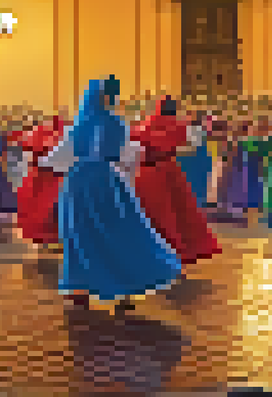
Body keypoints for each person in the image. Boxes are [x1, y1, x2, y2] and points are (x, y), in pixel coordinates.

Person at [42, 77, 183, 311]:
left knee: (79, 233)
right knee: (117, 231)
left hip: (77, 182)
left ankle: (78, 288)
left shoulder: (79, 126)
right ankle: (122, 286)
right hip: (105, 180)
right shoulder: (116, 123)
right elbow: (125, 155)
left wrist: (47, 162)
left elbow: (59, 158)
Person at [132, 96, 222, 265]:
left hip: (144, 174)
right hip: (168, 170)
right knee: (178, 211)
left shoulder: (144, 125)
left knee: (151, 214)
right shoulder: (177, 125)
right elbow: (191, 146)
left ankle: (149, 248)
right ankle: (179, 246)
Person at [17, 116, 66, 248]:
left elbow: (28, 157)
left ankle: (42, 241)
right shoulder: (66, 135)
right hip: (56, 180)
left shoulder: (35, 135)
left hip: (39, 180)